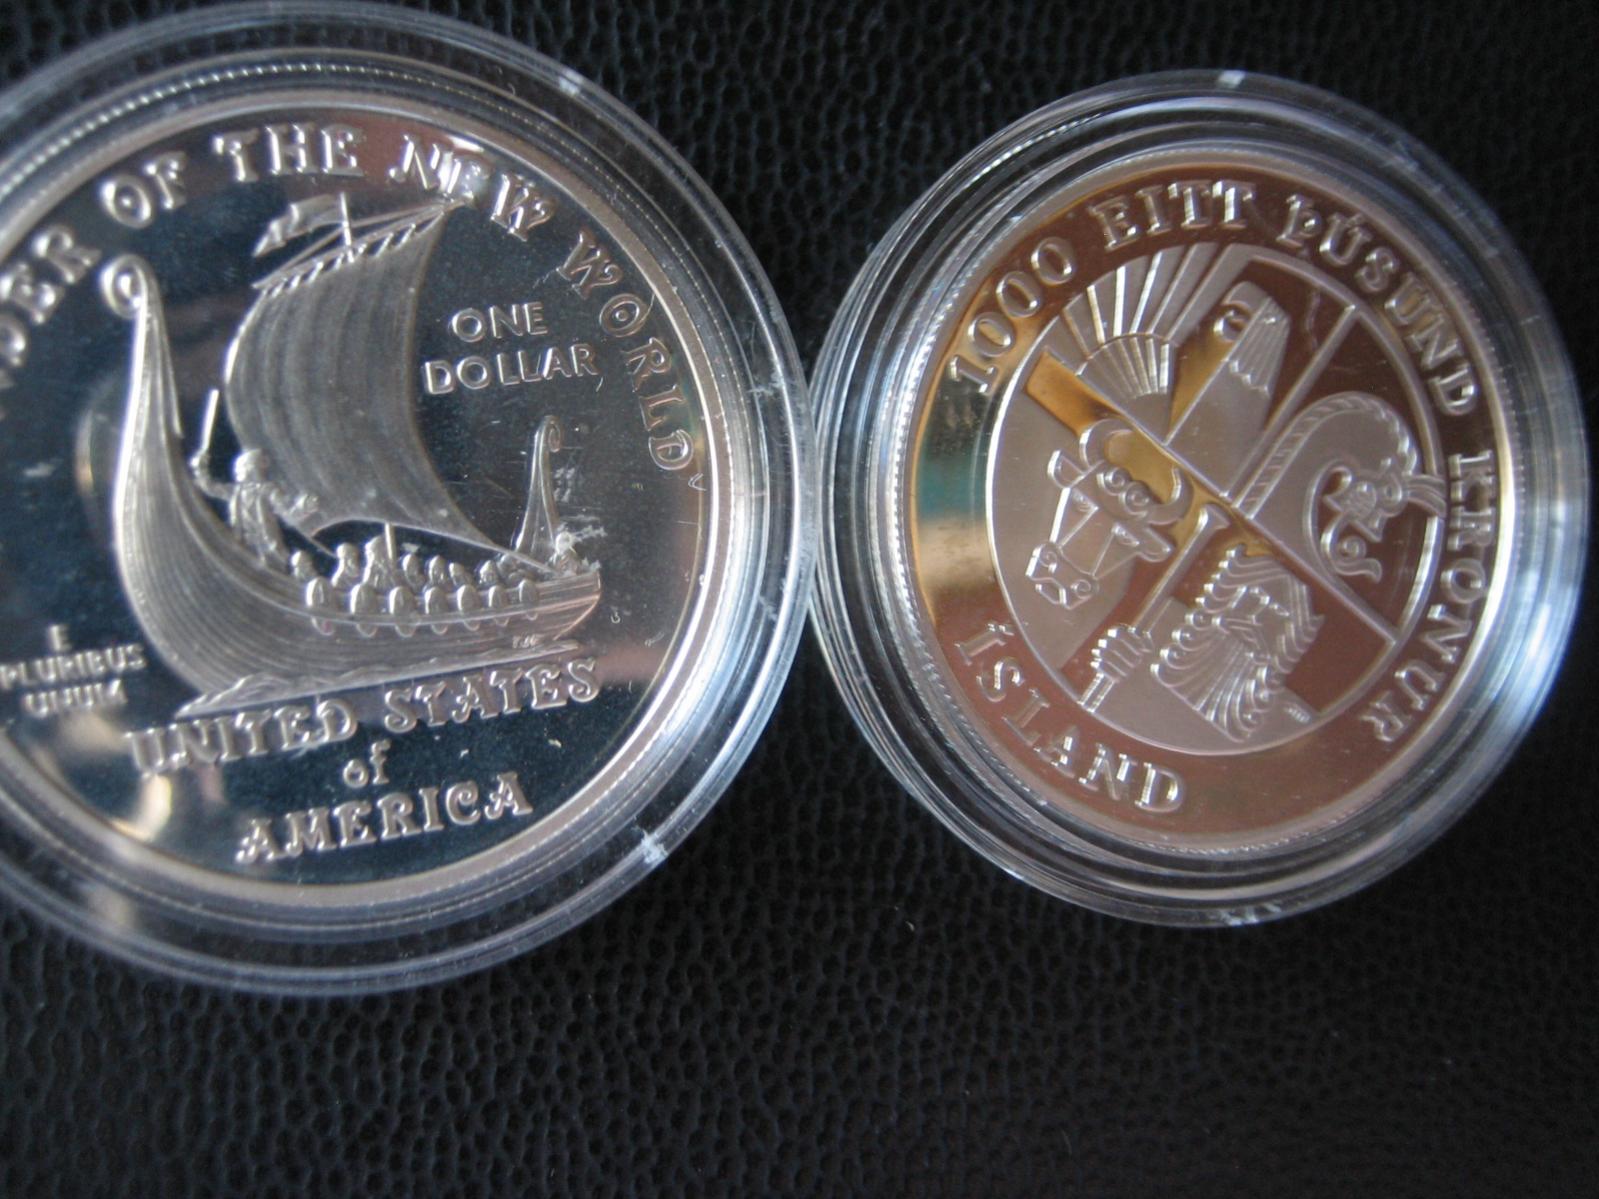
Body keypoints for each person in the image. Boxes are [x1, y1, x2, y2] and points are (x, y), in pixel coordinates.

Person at [190, 447, 317, 568]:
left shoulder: (269, 491)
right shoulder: (236, 491)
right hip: (243, 547)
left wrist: (304, 508)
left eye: (241, 467)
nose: (236, 471)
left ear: (252, 468)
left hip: (269, 552)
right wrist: (201, 470)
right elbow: (211, 489)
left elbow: (289, 515)